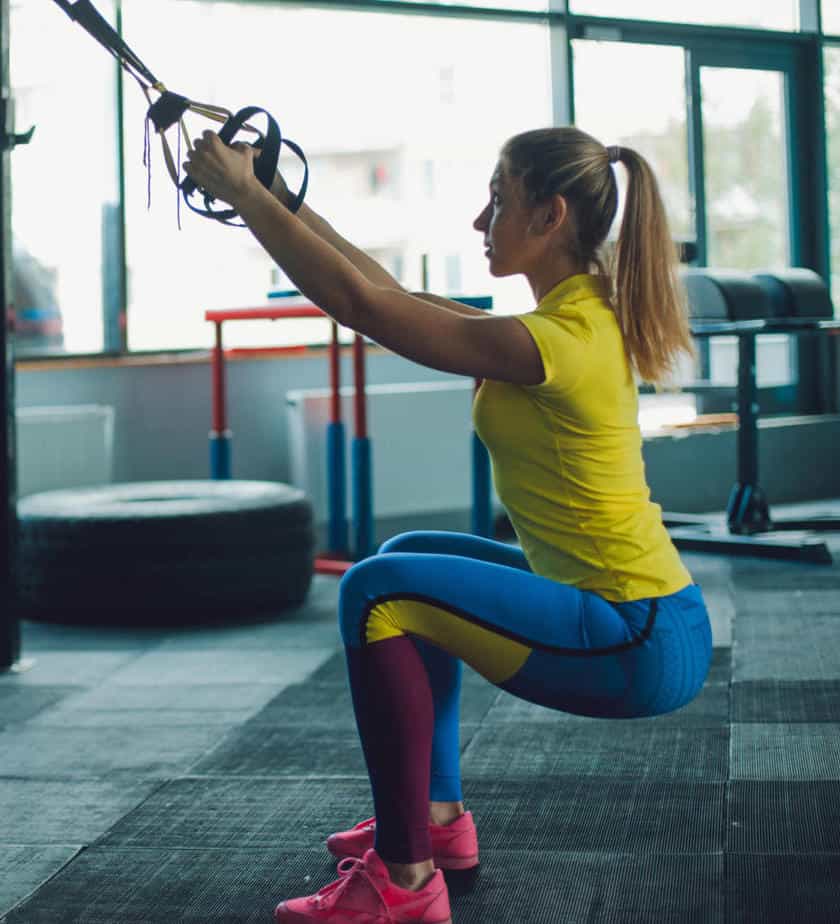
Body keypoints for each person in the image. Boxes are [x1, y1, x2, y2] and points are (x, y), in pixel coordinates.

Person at [186, 125, 713, 924]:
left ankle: (403, 884)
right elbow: (386, 292)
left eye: (499, 199)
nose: (480, 220)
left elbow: (366, 309)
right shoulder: (569, 318)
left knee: (375, 590)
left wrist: (246, 198)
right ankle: (434, 820)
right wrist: (278, 194)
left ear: (550, 217)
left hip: (634, 637)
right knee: (409, 554)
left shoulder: (557, 341)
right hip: (634, 613)